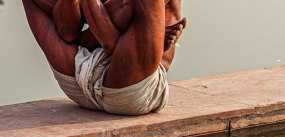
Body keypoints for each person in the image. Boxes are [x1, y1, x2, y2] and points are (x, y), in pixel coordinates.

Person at [22, 0, 187, 115]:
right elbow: (68, 31)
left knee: (128, 8)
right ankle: (95, 38)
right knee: (123, 11)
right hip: (112, 84)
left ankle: (93, 38)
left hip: (129, 85)